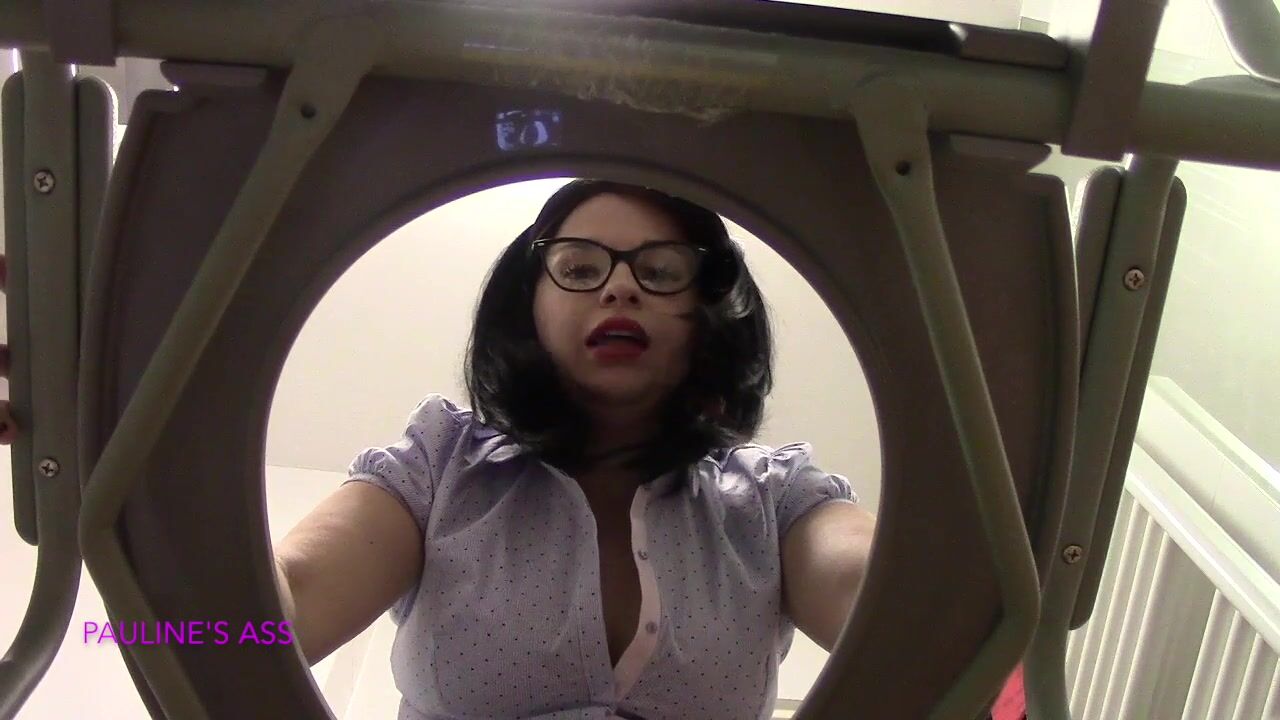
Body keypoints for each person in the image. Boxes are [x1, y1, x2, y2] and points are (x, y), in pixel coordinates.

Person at [0, 180, 878, 719]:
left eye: (661, 269)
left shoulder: (778, 500)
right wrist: (130, 420)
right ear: (529, 308)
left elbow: (895, 604)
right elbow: (266, 621)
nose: (619, 287)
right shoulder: (439, 466)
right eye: (579, 268)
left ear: (709, 310)